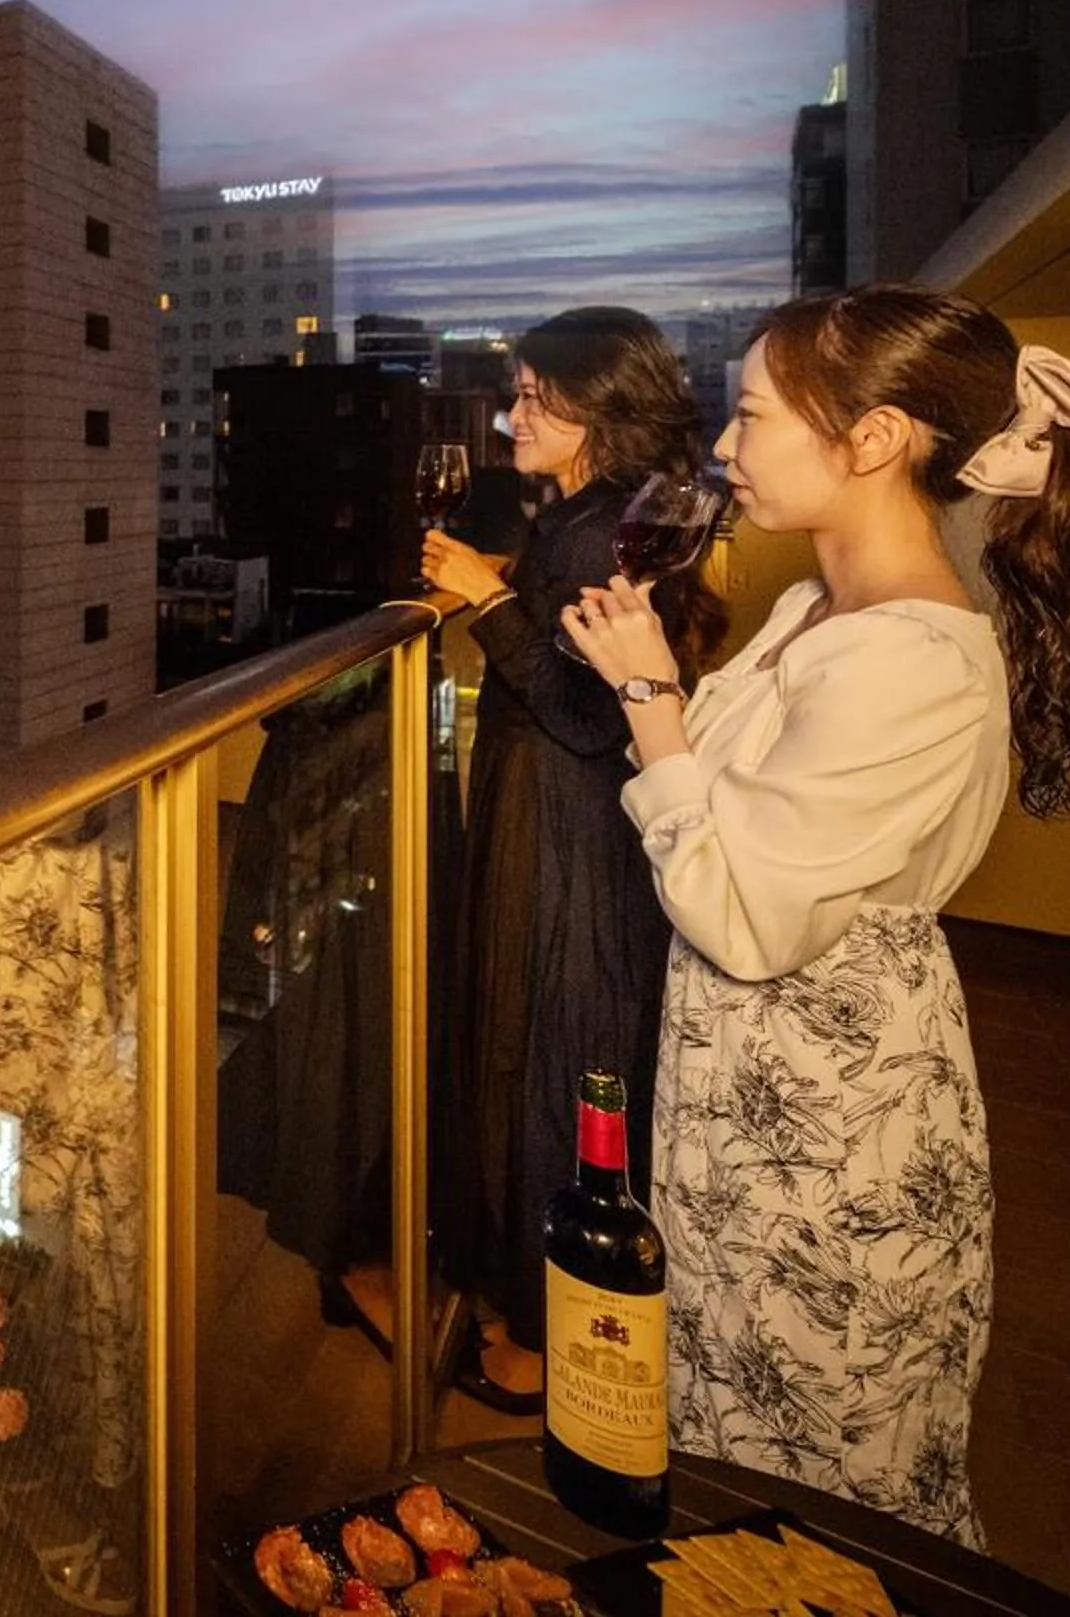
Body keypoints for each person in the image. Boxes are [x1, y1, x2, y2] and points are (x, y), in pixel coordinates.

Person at [562, 288, 1070, 1544]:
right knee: (730, 1454)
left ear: (875, 438)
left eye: (751, 416)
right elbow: (733, 810)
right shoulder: (817, 607)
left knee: (815, 1485)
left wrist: (645, 697)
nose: (725, 447)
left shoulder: (910, 661)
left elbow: (747, 916)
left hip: (829, 1129)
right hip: (751, 1098)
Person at [419, 307, 724, 1412]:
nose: (513, 417)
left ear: (597, 406)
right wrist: (514, 582)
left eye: (533, 397)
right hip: (569, 815)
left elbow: (583, 715)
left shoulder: (600, 535)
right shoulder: (605, 517)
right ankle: (556, 1309)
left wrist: (487, 595)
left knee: (543, 1046)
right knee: (558, 1042)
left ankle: (541, 1335)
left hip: (561, 821)